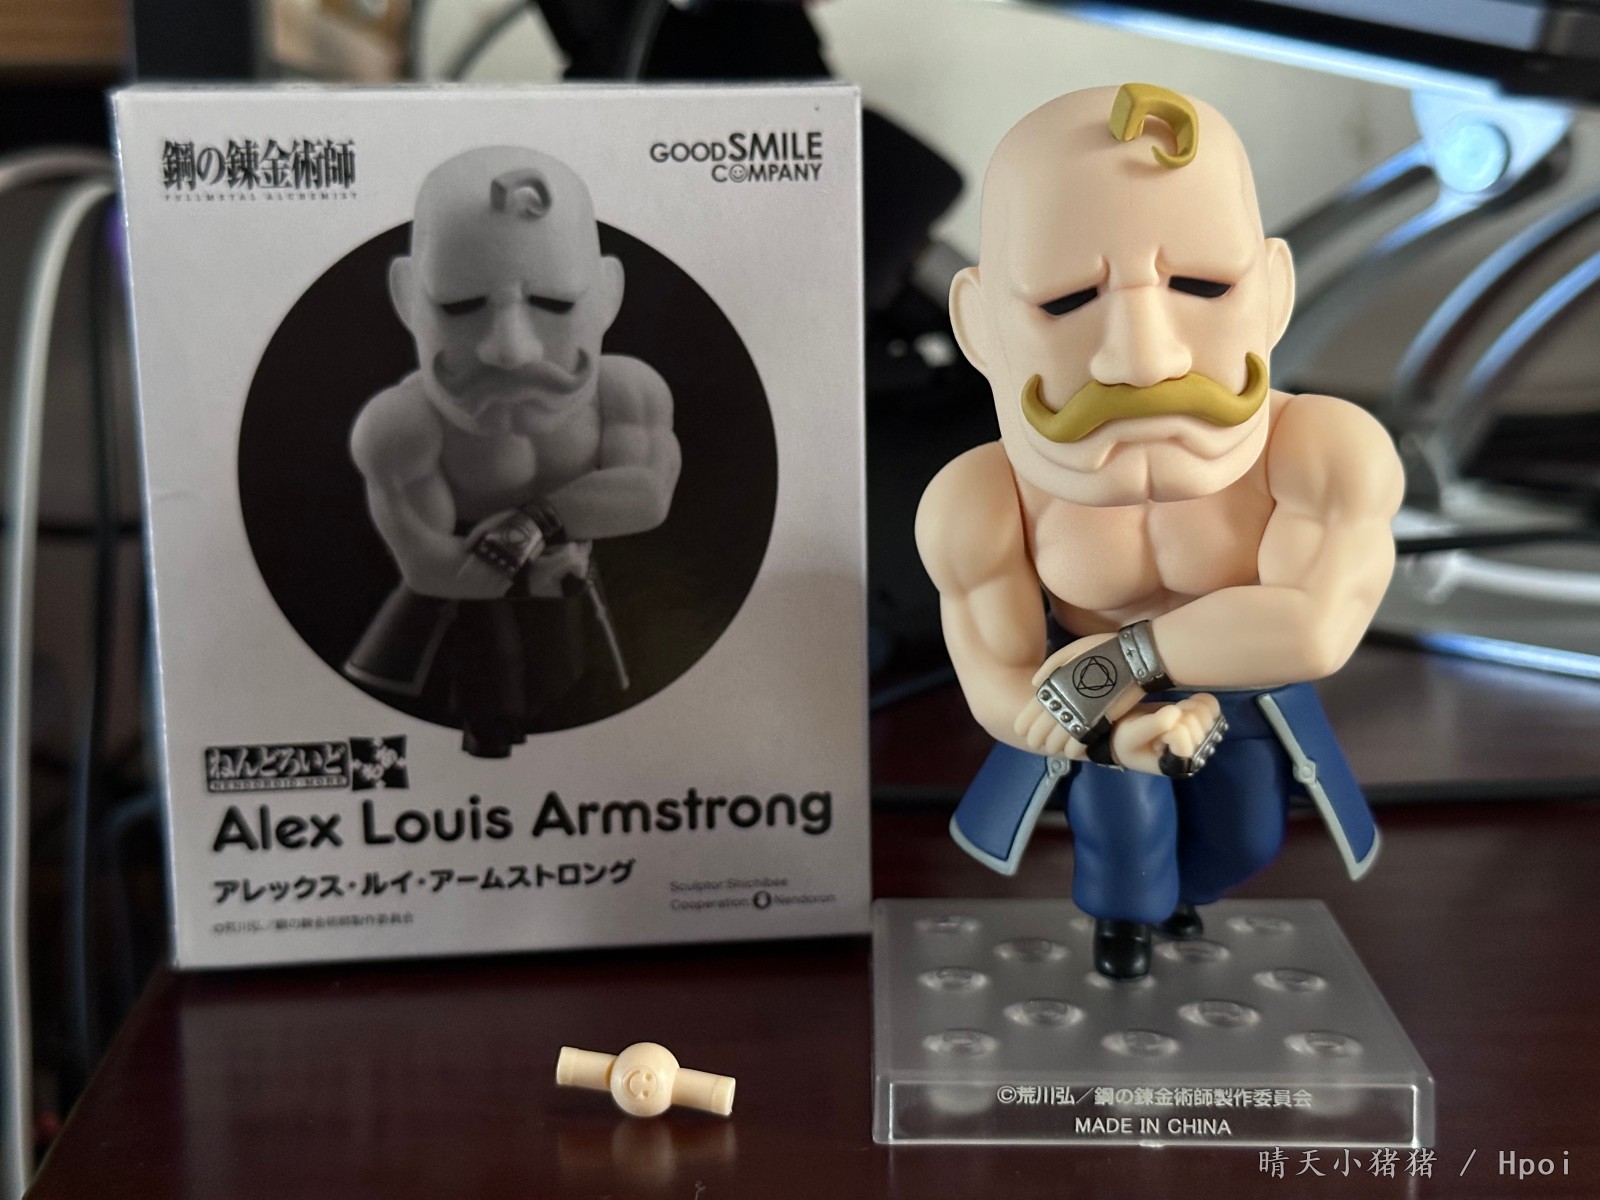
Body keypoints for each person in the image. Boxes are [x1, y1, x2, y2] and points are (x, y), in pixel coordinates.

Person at [916, 84, 1403, 979]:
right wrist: (1111, 732)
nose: (1144, 357)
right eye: (1067, 300)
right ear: (979, 326)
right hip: (1095, 706)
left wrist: (1121, 661)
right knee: (1122, 838)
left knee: (1246, 839)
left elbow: (1312, 628)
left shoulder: (1324, 450)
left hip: (1225, 697)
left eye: (1202, 286)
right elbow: (999, 680)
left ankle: (1184, 897)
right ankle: (1127, 927)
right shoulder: (981, 497)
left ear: (1273, 291)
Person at [346, 146, 681, 757]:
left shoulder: (626, 391)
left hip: (573, 591)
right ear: (406, 297)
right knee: (490, 715)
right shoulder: (401, 426)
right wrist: (533, 562)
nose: (512, 350)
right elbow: (427, 564)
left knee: (601, 718)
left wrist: (534, 523)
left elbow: (648, 494)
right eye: (459, 306)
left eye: (554, 303)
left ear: (608, 294)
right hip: (473, 619)